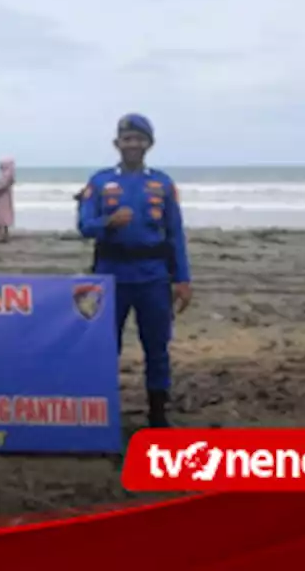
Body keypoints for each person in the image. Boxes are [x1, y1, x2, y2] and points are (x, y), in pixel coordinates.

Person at [77, 113, 192, 428]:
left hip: (153, 277)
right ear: (117, 143)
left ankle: (158, 415)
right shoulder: (100, 182)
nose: (133, 144)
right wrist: (107, 223)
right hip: (111, 275)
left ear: (149, 144)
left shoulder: (162, 184)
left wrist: (182, 279)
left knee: (156, 346)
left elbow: (175, 234)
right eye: (127, 139)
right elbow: (83, 226)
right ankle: (102, 413)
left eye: (139, 139)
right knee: (104, 347)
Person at [0, 157, 16, 242]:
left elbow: (1, 186)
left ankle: (1, 235)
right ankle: (4, 235)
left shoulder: (7, 175)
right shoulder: (8, 175)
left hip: (3, 198)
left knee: (2, 216)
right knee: (3, 216)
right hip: (5, 198)